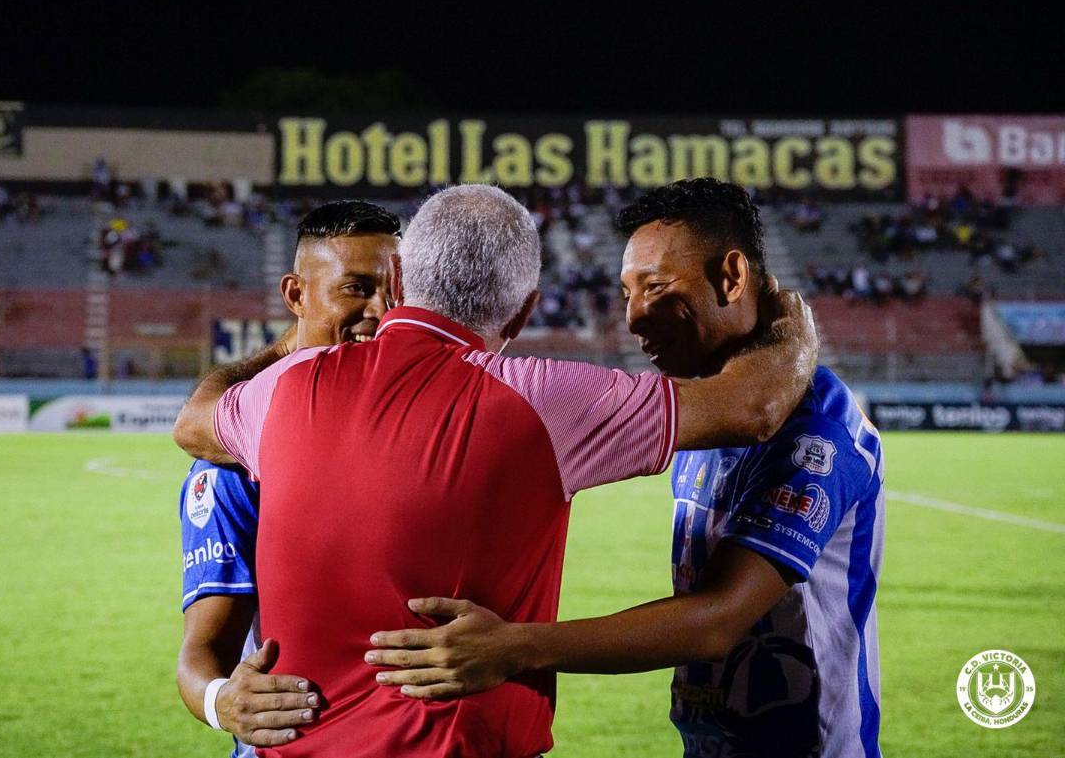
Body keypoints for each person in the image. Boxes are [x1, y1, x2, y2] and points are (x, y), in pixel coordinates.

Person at [173, 184, 818, 758]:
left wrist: (286, 350)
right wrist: (795, 324)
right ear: (523, 312)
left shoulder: (279, 394)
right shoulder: (541, 401)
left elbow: (193, 424)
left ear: (398, 281)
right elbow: (754, 406)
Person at [366, 180, 884, 758]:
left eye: (657, 288)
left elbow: (717, 621)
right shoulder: (700, 409)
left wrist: (514, 647)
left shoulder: (817, 428)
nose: (636, 317)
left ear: (731, 278)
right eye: (627, 292)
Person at [176, 201, 401, 755]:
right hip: (297, 742)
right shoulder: (236, 456)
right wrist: (220, 700)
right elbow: (204, 650)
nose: (383, 310)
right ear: (296, 296)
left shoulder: (423, 419)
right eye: (356, 288)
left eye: (398, 292)